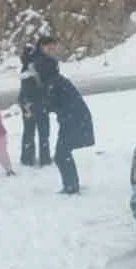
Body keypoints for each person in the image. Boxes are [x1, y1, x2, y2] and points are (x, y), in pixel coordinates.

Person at [43, 55, 95, 195]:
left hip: (73, 120)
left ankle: (71, 187)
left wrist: (40, 108)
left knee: (62, 154)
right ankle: (71, 185)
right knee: (63, 154)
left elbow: (52, 103)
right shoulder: (58, 80)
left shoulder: (54, 83)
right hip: (74, 119)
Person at [17, 43, 51, 166]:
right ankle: (44, 158)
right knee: (43, 132)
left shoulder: (25, 69)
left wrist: (25, 104)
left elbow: (25, 91)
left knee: (29, 132)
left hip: (28, 105)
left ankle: (27, 158)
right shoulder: (35, 68)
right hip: (38, 104)